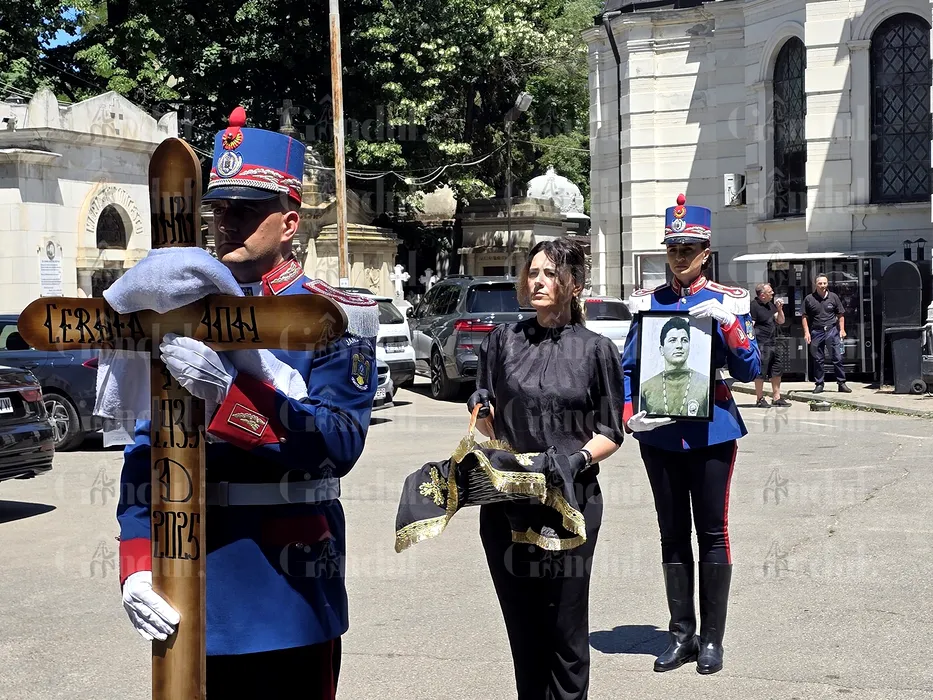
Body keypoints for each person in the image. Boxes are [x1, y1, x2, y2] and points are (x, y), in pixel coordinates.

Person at [116, 107, 380, 697]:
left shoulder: (333, 316)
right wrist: (135, 562)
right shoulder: (179, 310)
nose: (226, 222)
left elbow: (337, 444)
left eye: (247, 209)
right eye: (220, 207)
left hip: (286, 586)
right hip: (190, 576)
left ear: (289, 223)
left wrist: (228, 399)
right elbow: (144, 449)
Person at [466, 238, 625, 699]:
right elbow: (487, 421)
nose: (537, 281)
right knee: (524, 630)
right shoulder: (502, 341)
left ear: (573, 285)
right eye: (532, 272)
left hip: (569, 504)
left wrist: (575, 461)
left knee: (565, 630)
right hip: (508, 502)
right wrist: (480, 409)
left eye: (550, 274)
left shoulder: (596, 350)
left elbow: (611, 431)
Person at [621, 194, 760, 675]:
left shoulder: (728, 300)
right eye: (673, 249)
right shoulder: (649, 302)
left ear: (705, 252)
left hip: (712, 432)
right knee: (672, 532)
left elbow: (749, 369)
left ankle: (712, 640)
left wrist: (730, 324)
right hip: (659, 434)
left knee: (713, 532)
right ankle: (681, 634)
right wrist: (628, 414)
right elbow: (629, 366)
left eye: (689, 249)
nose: (680, 257)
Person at [639, 315, 710, 418]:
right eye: (672, 340)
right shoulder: (646, 388)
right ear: (661, 349)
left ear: (689, 346)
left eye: (684, 340)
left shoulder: (705, 385)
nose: (679, 346)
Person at [801, 274, 851, 393]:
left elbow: (840, 315)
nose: (823, 286)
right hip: (816, 331)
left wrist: (842, 329)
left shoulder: (833, 297)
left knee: (837, 357)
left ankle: (841, 383)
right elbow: (804, 316)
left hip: (831, 330)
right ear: (816, 284)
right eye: (820, 283)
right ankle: (819, 384)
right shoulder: (809, 299)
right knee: (818, 359)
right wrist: (806, 332)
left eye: (825, 283)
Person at [751, 282, 789, 407]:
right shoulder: (754, 306)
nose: (773, 293)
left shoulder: (770, 305)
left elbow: (781, 320)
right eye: (770, 292)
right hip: (761, 344)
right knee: (761, 372)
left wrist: (780, 309)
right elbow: (750, 325)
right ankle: (759, 399)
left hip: (774, 342)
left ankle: (776, 397)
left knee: (776, 369)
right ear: (762, 295)